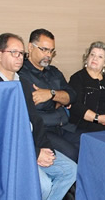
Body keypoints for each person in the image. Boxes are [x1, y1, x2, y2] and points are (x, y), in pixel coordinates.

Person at [0, 33, 76, 200]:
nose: (19, 58)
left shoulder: (23, 83)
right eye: (14, 53)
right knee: (44, 186)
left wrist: (44, 148)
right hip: (11, 152)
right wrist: (35, 153)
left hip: (33, 144)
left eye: (21, 54)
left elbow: (35, 121)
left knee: (70, 170)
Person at [18, 28, 80, 162]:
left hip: (65, 126)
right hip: (43, 130)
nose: (49, 55)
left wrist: (51, 94)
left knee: (90, 143)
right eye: (44, 50)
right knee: (72, 153)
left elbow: (72, 96)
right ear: (30, 47)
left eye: (51, 51)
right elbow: (37, 104)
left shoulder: (54, 72)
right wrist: (60, 100)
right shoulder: (21, 73)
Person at [68, 41, 105, 132]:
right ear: (87, 58)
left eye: (100, 57)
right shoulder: (77, 78)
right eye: (92, 54)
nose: (95, 58)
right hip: (86, 124)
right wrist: (97, 118)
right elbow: (76, 106)